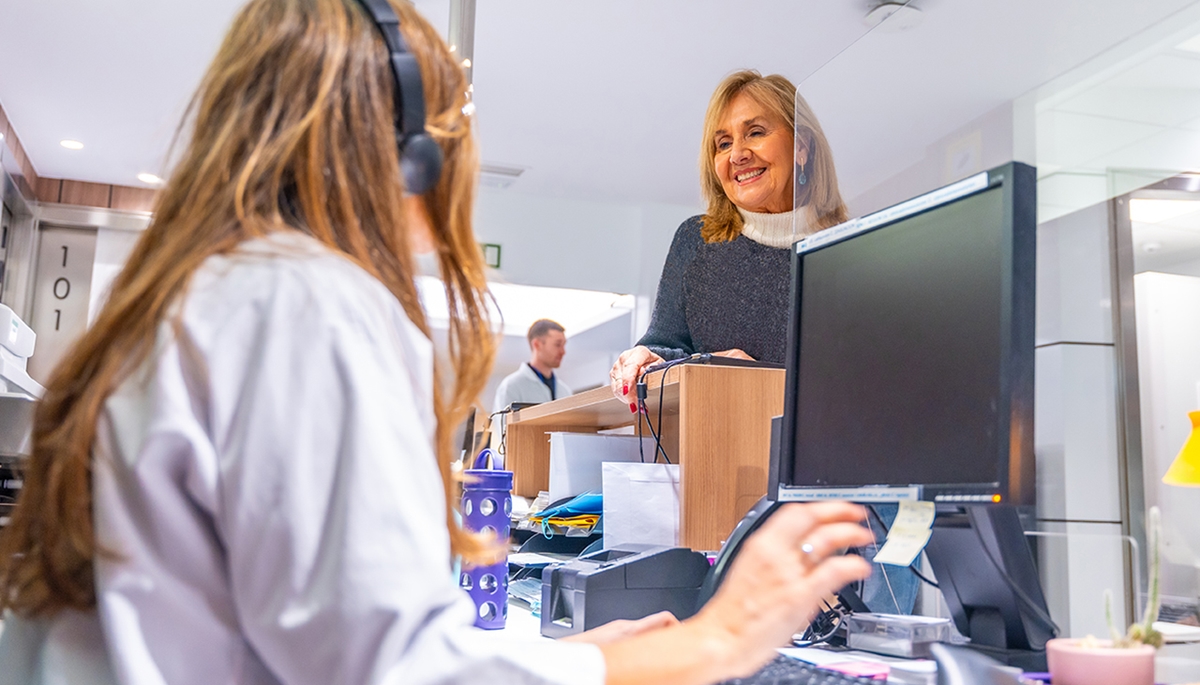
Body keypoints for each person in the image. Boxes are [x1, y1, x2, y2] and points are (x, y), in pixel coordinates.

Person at [0, 3, 873, 684]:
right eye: (454, 126)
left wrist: (588, 657)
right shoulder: (303, 306)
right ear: (411, 152)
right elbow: (391, 665)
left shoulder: (220, 294)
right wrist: (709, 641)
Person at [610, 70, 847, 408]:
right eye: (723, 143)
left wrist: (762, 380)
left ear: (802, 147)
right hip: (713, 445)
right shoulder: (697, 241)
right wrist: (645, 358)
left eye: (755, 132)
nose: (737, 155)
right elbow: (665, 345)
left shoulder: (851, 251)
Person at [492, 318, 573, 412]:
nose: (563, 352)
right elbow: (503, 425)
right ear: (537, 344)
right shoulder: (511, 387)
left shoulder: (565, 391)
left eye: (564, 345)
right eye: (558, 345)